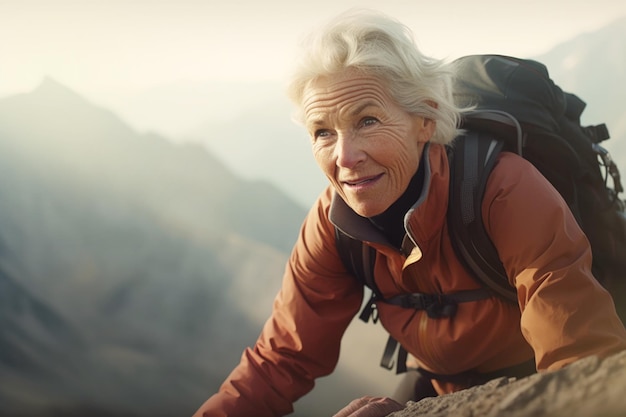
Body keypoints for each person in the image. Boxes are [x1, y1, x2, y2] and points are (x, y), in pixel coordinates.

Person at [192, 9, 626, 417]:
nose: (344, 157)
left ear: (426, 120)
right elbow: (282, 359)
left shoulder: (503, 189)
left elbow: (576, 351)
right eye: (322, 132)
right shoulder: (332, 224)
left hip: (534, 369)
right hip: (440, 385)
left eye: (366, 121)